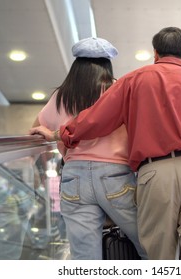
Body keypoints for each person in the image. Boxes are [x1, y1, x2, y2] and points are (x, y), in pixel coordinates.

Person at [44, 27, 181, 259]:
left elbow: (94, 120)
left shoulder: (132, 81)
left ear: (155, 53)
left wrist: (58, 134)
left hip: (154, 174)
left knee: (159, 257)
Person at [29, 37, 147, 260]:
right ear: (107, 65)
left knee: (85, 260)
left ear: (76, 65)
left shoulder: (61, 96)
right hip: (116, 176)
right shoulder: (118, 91)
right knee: (150, 245)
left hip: (74, 178)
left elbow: (36, 129)